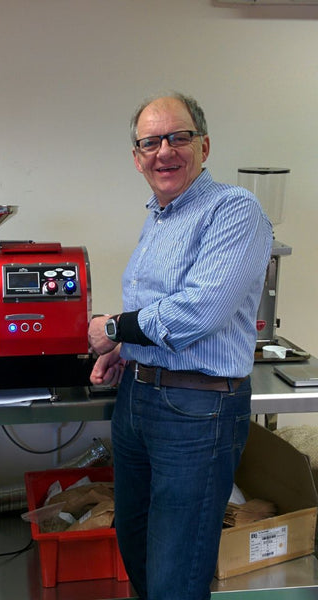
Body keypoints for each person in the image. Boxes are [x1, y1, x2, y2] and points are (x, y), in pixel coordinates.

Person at [88, 92, 273, 600]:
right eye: (150, 142)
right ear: (136, 157)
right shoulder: (160, 215)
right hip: (138, 403)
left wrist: (114, 329)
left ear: (204, 146)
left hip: (197, 410)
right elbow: (160, 311)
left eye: (178, 137)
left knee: (177, 577)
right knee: (140, 559)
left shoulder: (235, 209)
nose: (163, 151)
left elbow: (198, 312)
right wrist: (126, 351)